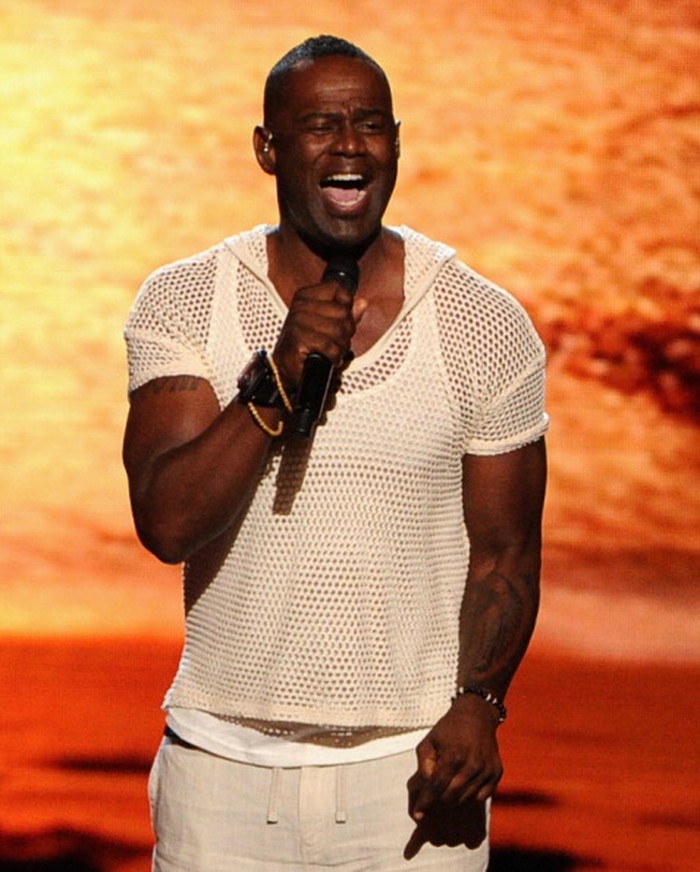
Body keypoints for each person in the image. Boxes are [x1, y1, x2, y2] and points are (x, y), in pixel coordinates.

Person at [123, 35, 548, 872]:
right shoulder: (184, 299)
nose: (350, 145)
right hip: (222, 782)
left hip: (414, 782)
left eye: (369, 125)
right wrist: (275, 380)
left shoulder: (481, 321)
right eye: (320, 125)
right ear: (268, 149)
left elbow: (506, 553)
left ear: (397, 142)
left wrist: (479, 704)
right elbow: (169, 522)